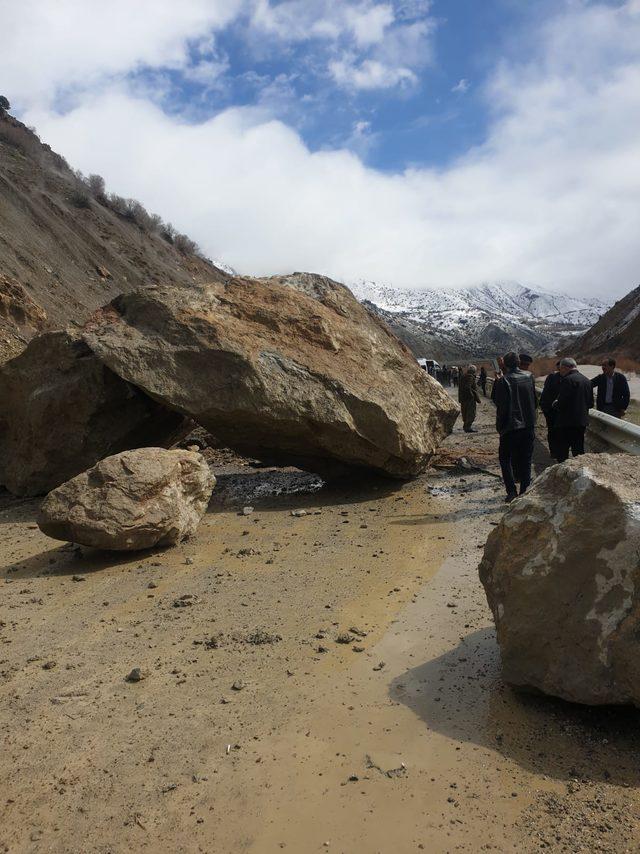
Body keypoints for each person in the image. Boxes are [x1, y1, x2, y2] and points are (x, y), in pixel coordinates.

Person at [492, 351, 538, 502]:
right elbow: (534, 402)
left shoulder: (503, 381)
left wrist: (500, 427)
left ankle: (511, 492)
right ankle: (525, 490)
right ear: (519, 362)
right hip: (528, 424)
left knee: (505, 459)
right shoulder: (529, 376)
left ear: (504, 364)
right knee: (526, 459)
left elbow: (500, 406)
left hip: (510, 427)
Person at [553, 358, 594, 462]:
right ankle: (580, 473)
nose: (560, 372)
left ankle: (563, 474)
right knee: (578, 450)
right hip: (581, 422)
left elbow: (562, 402)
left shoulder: (567, 380)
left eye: (561, 369)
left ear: (565, 367)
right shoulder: (587, 381)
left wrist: (555, 404)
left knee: (562, 451)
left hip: (566, 422)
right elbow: (590, 404)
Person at [539, 361, 563, 460]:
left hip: (552, 409)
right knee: (555, 431)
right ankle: (556, 452)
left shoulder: (552, 377)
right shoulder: (554, 378)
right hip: (553, 410)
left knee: (553, 431)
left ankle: (555, 452)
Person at [458, 365, 481, 432]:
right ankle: (468, 427)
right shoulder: (470, 377)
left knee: (465, 412)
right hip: (469, 399)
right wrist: (472, 396)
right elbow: (468, 387)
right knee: (471, 413)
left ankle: (466, 426)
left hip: (463, 398)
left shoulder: (463, 376)